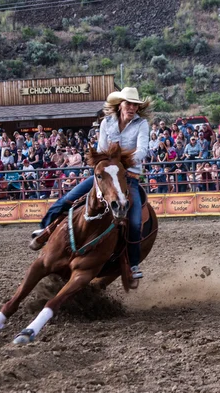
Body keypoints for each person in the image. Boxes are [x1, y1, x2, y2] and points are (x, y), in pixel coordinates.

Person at [33, 87, 150, 280]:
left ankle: (133, 264)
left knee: (136, 221)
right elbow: (101, 148)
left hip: (128, 177)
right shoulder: (106, 123)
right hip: (105, 175)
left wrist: (120, 164)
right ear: (120, 104)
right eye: (128, 103)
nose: (132, 107)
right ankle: (44, 230)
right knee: (67, 200)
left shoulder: (141, 124)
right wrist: (109, 165)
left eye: (135, 104)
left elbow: (143, 151)